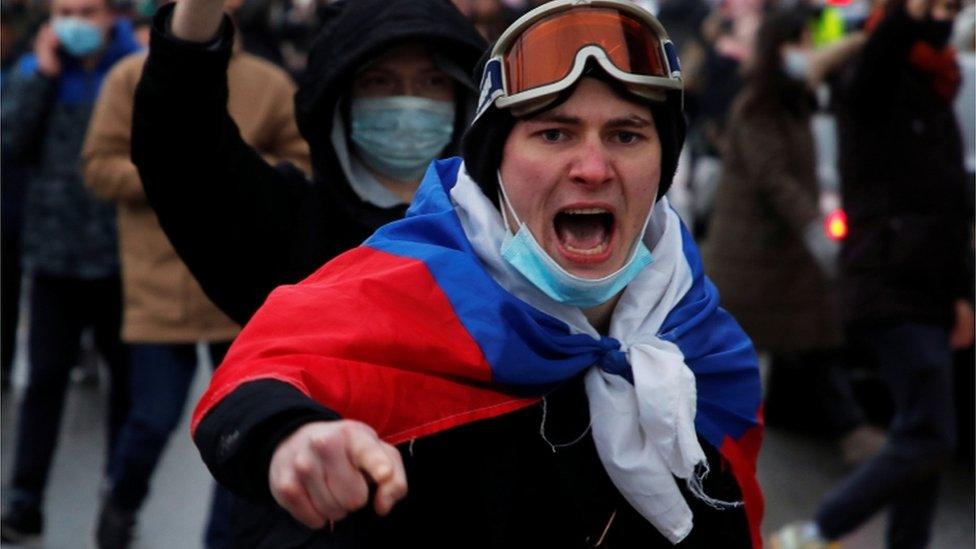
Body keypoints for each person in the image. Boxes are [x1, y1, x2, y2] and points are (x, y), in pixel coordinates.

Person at [187, 1, 765, 547]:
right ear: (495, 166)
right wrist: (294, 436)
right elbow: (258, 378)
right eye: (553, 134)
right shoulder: (406, 284)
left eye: (626, 135)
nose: (593, 168)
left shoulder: (705, 341)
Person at [79, 2, 310, 544]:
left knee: (240, 430)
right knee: (152, 417)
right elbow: (98, 164)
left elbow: (303, 162)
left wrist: (243, 181)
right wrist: (177, 180)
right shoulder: (131, 78)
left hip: (242, 293)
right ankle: (122, 498)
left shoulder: (269, 83)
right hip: (159, 285)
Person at [129, 0, 486, 327]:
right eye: (379, 81)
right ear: (339, 98)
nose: (408, 101)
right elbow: (180, 144)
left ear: (463, 98)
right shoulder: (290, 227)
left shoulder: (503, 226)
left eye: (433, 81)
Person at [770, 0, 974, 547]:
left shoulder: (936, 93)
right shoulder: (872, 82)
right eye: (936, 7)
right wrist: (901, 16)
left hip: (929, 287)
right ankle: (817, 530)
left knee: (921, 431)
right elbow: (889, 40)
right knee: (931, 433)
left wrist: (958, 297)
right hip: (889, 280)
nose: (945, 17)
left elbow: (949, 206)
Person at [705, 9, 881, 464]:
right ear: (777, 48)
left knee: (810, 343)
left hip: (779, 257)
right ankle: (718, 438)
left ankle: (851, 431)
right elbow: (774, 177)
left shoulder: (792, 100)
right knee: (775, 345)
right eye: (799, 43)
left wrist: (865, 38)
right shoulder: (759, 105)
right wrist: (812, 226)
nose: (807, 53)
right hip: (755, 255)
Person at [0, 0, 141, 543]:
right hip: (55, 257)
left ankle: (118, 496)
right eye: (64, 10)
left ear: (112, 16)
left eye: (85, 10)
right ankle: (23, 500)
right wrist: (41, 74)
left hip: (121, 258)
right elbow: (10, 139)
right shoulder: (37, 69)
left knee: (124, 388)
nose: (73, 21)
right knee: (44, 385)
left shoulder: (134, 69)